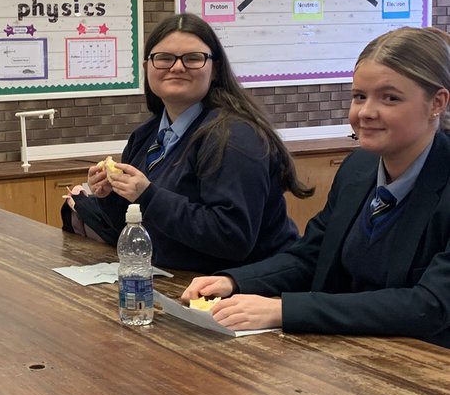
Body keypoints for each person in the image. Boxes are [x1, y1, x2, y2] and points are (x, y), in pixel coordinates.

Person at [182, 26, 450, 346]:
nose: (366, 112)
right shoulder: (357, 169)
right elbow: (310, 257)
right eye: (359, 97)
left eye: (389, 98)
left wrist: (285, 310)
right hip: (350, 358)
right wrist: (234, 281)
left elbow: (428, 306)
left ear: (437, 102)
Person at [62, 12, 309, 271]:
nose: (177, 67)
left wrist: (148, 195)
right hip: (176, 281)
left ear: (215, 70)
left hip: (248, 294)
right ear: (147, 67)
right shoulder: (145, 136)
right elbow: (136, 228)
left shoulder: (234, 137)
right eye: (164, 58)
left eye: (193, 58)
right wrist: (108, 196)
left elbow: (233, 237)